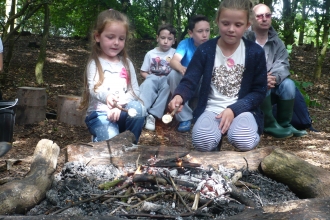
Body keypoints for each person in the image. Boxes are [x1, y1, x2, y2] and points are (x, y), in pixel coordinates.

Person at [168, 0, 267, 152]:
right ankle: (213, 154)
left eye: (238, 25)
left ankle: (243, 159)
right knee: (202, 140)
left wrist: (234, 109)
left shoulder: (255, 52)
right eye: (225, 23)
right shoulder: (205, 50)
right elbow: (190, 79)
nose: (231, 29)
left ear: (247, 25)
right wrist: (179, 96)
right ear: (217, 22)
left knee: (244, 139)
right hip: (211, 109)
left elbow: (259, 91)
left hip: (243, 110)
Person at [79, 9, 145, 144]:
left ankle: (131, 146)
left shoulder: (127, 63)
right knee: (112, 140)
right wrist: (107, 97)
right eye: (110, 37)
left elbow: (135, 91)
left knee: (139, 109)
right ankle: (101, 141)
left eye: (121, 38)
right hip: (100, 115)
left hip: (122, 111)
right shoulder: (95, 63)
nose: (116, 42)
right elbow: (94, 89)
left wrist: (119, 104)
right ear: (97, 37)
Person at [245, 3, 307, 138]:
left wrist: (274, 77)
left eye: (268, 15)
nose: (264, 19)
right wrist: (260, 78)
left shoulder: (277, 42)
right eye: (260, 16)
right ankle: (268, 124)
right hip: (250, 88)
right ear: (252, 19)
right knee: (263, 82)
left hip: (272, 85)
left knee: (289, 84)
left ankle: (284, 124)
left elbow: (283, 64)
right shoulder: (244, 39)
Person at [167, 15, 210, 132]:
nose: (205, 35)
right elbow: (174, 61)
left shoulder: (212, 46)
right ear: (191, 33)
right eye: (200, 31)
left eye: (207, 30)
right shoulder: (185, 44)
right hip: (187, 84)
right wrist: (181, 68)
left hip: (203, 85)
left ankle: (204, 114)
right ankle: (184, 118)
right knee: (173, 74)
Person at [139, 24, 176, 131]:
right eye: (163, 38)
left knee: (168, 86)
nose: (166, 41)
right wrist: (151, 78)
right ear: (157, 38)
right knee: (148, 85)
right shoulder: (150, 54)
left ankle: (153, 115)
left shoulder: (175, 53)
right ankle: (142, 112)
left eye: (169, 39)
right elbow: (143, 71)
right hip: (153, 78)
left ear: (174, 41)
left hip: (167, 79)